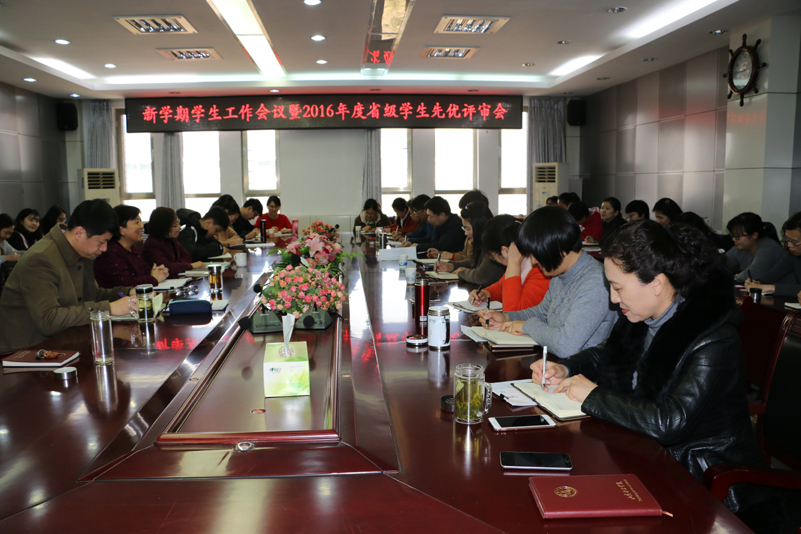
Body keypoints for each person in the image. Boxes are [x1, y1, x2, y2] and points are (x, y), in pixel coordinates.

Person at [532, 220, 784, 533]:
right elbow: (606, 354)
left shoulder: (715, 340)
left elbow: (670, 422)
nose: (613, 299)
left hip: (708, 484)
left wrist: (594, 395)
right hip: (649, 458)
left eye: (618, 288)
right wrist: (566, 368)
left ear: (656, 283)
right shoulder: (644, 317)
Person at [479, 206, 617, 357]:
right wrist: (507, 318)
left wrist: (527, 326)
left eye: (536, 254)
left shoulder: (595, 282)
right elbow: (542, 312)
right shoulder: (559, 275)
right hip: (558, 364)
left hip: (582, 368)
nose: (533, 261)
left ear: (556, 247)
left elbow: (566, 344)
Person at [0, 200, 136, 353]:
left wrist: (128, 293)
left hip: (61, 343)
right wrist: (109, 308)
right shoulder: (41, 259)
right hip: (24, 352)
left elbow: (92, 294)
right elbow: (49, 320)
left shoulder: (80, 250)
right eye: (101, 242)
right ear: (79, 233)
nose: (104, 248)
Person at [469, 215, 550, 311]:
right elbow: (502, 287)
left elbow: (512, 312)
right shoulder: (519, 261)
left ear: (505, 251)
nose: (493, 259)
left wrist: (513, 263)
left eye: (492, 256)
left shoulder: (541, 270)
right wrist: (485, 294)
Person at [93, 205, 169, 288]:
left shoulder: (131, 247)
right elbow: (126, 284)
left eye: (140, 221)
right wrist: (153, 279)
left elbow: (145, 270)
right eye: (136, 222)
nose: (141, 226)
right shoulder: (112, 252)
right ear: (121, 230)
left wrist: (158, 271)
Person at [434, 202, 504, 286]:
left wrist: (462, 272)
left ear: (478, 226)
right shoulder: (482, 242)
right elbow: (473, 261)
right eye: (464, 228)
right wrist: (451, 266)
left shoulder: (493, 243)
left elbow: (481, 277)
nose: (465, 233)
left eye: (467, 229)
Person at [726, 212, 791, 283]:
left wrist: (735, 277)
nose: (734, 239)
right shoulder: (740, 248)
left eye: (737, 236)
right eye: (733, 236)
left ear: (754, 235)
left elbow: (752, 275)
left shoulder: (769, 249)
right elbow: (721, 263)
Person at [142, 207, 206, 278]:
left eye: (178, 223)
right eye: (175, 225)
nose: (179, 227)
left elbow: (187, 256)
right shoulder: (152, 244)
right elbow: (166, 267)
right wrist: (190, 265)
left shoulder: (172, 239)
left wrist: (177, 265)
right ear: (164, 226)